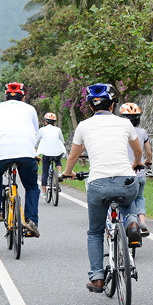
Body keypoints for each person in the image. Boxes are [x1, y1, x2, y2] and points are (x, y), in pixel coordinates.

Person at [62, 83, 145, 293]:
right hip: (126, 180)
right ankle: (133, 223)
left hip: (98, 184)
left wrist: (67, 173)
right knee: (127, 202)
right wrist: (136, 163)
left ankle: (97, 277)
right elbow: (137, 150)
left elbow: (73, 156)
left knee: (95, 232)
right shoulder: (125, 124)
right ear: (113, 104)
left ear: (90, 106)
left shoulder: (83, 126)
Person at [0, 82, 41, 237]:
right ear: (24, 97)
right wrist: (33, 153)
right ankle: (32, 220)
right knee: (32, 187)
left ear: (5, 97)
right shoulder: (30, 109)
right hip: (26, 154)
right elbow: (33, 133)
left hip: (0, 155)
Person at [119, 103, 153, 236]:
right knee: (139, 197)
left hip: (123, 172)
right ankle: (142, 221)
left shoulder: (119, 132)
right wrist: (148, 161)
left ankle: (124, 222)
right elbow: (148, 152)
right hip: (139, 172)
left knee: (122, 198)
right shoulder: (143, 132)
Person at [35, 112, 67, 197]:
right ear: (54, 122)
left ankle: (44, 192)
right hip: (57, 152)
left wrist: (35, 148)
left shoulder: (41, 130)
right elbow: (62, 141)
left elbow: (36, 142)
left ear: (45, 122)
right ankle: (60, 173)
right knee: (57, 160)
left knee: (45, 172)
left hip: (46, 153)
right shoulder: (58, 129)